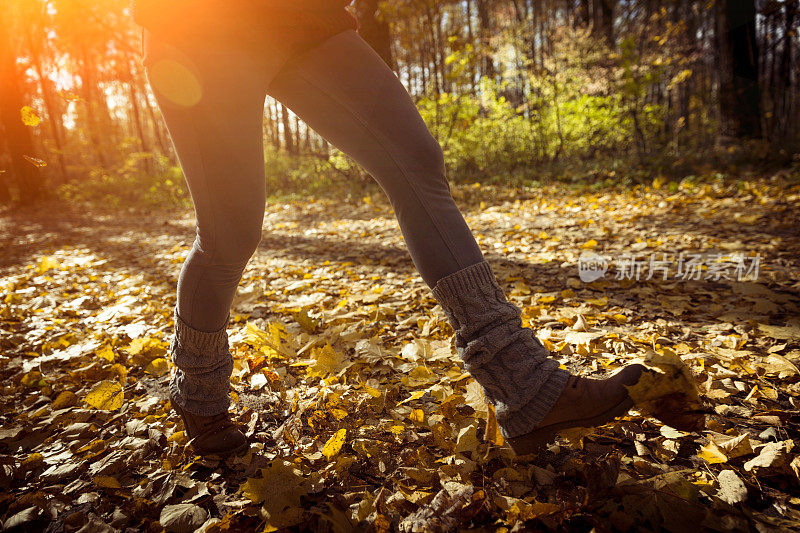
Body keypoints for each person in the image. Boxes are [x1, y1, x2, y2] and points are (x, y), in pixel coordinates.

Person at [133, 0, 685, 457]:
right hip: (200, 26)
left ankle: (525, 386)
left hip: (305, 19)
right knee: (231, 234)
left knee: (416, 161)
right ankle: (199, 393)